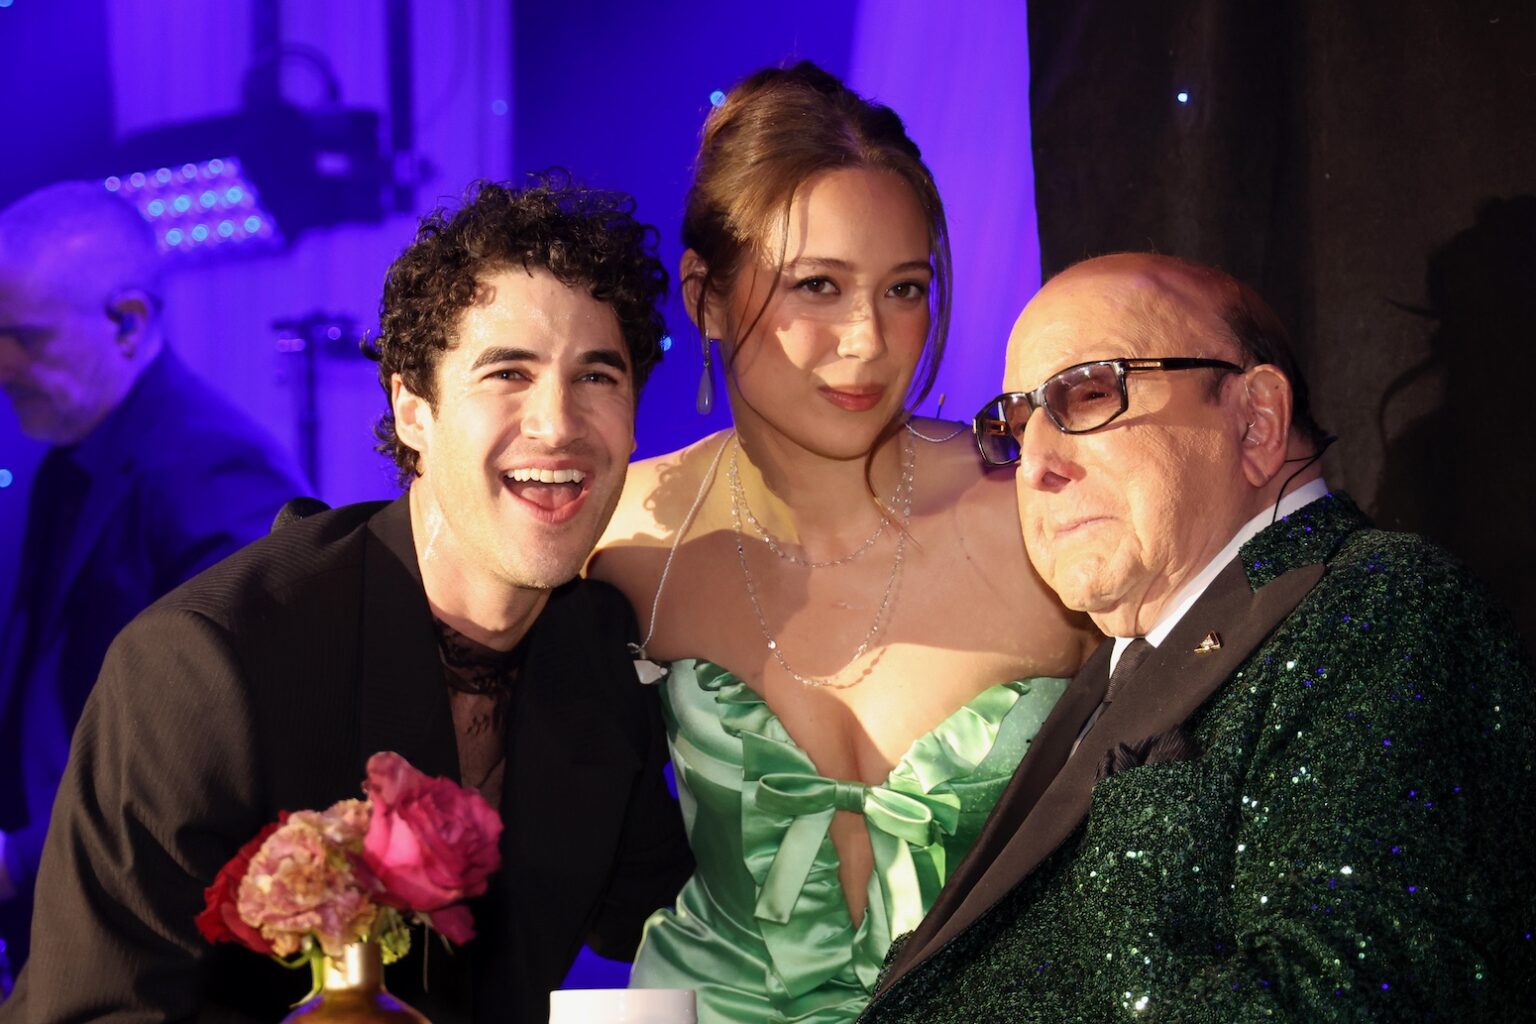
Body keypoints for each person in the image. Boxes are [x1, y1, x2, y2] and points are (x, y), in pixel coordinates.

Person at [0, 175, 694, 1024]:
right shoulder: (208, 664)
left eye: (598, 376)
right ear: (411, 407)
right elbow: (97, 1011)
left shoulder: (598, 655)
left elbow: (674, 934)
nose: (558, 423)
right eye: (507, 372)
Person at [859, 253, 1536, 1022]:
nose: (1036, 464)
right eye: (1017, 425)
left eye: (1087, 394)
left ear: (1255, 421)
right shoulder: (1125, 661)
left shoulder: (1385, 608)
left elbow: (1352, 997)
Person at [590, 63, 1096, 1023]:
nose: (869, 339)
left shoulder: (1034, 503)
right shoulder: (621, 545)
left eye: (904, 288)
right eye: (816, 286)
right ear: (703, 295)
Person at [0, 181, 308, 975]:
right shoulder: (74, 444)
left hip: (147, 944)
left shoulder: (218, 471)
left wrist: (22, 859)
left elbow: (220, 749)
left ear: (128, 323)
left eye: (23, 338)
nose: (2, 366)